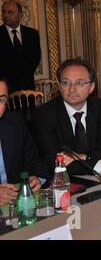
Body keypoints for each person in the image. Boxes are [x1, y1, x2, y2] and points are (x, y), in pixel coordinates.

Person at [32, 59, 101, 176]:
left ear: (91, 87)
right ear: (59, 86)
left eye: (79, 83)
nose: (72, 89)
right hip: (65, 182)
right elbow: (54, 162)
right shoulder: (44, 115)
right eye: (65, 82)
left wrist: (82, 157)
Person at [0, 77, 47, 205]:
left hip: (16, 205)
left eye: (1, 100)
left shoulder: (15, 123)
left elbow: (35, 162)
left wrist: (37, 179)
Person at [0, 0, 41, 93]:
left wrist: (24, 76)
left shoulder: (32, 34)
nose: (5, 15)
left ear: (20, 15)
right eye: (3, 12)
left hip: (28, 87)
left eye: (10, 12)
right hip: (5, 89)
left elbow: (36, 58)